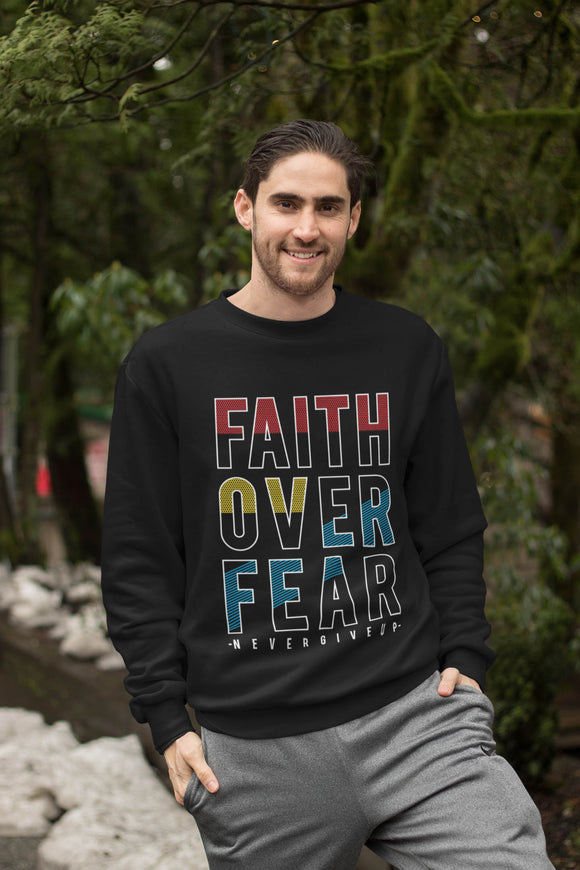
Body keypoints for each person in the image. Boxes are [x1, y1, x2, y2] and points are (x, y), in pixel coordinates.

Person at [101, 119, 554, 870]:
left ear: (354, 219)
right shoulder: (167, 364)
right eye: (286, 204)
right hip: (254, 751)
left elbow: (448, 523)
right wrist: (164, 717)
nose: (306, 228)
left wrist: (467, 658)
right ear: (245, 209)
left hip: (417, 719)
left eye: (328, 208)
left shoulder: (405, 348)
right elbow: (138, 556)